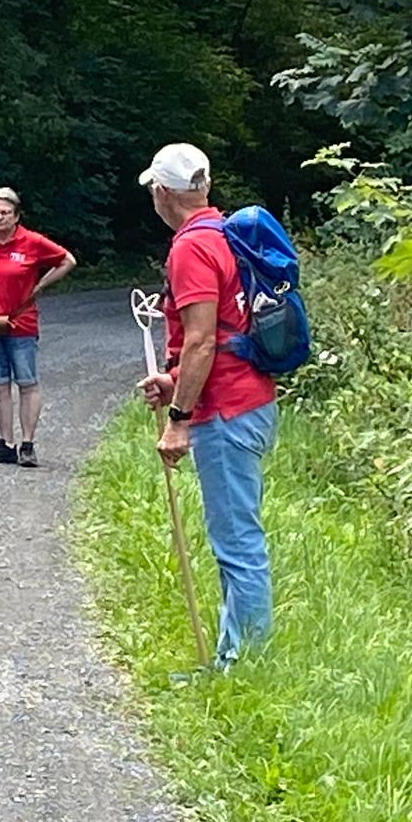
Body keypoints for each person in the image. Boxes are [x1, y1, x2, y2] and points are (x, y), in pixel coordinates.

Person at [138, 142, 278, 673]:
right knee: (235, 536)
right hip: (251, 400)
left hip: (226, 411)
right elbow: (224, 331)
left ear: (162, 192)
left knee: (237, 542)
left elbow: (201, 342)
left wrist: (179, 421)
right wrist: (174, 381)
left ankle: (246, 667)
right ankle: (231, 654)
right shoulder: (225, 234)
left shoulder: (191, 248)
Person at [0, 187, 76, 468]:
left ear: (16, 215)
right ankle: (5, 442)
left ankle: (28, 443)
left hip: (21, 322)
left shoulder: (32, 241)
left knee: (26, 382)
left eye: (4, 213)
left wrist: (42, 284)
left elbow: (67, 260)